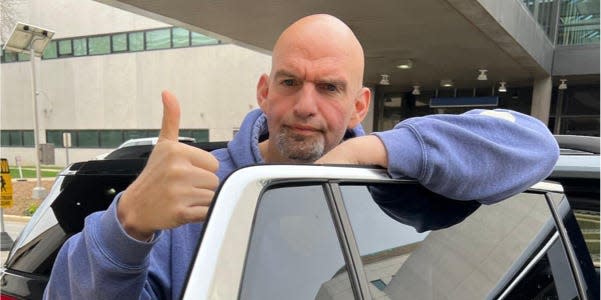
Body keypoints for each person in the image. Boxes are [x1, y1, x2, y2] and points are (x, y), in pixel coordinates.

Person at [44, 14, 559, 299]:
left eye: (330, 88)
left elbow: (534, 145)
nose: (305, 106)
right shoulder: (195, 196)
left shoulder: (390, 178)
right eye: (290, 82)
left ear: (359, 103)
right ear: (265, 91)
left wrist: (375, 149)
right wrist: (128, 223)